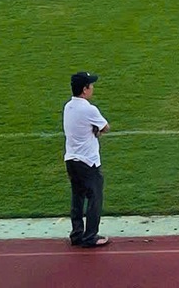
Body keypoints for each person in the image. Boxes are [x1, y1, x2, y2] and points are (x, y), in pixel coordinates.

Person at [62, 71, 110, 249]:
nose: (92, 87)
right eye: (90, 85)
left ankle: (77, 233)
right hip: (88, 162)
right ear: (84, 89)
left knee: (77, 196)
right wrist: (96, 131)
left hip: (71, 159)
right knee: (95, 196)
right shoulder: (89, 109)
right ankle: (90, 236)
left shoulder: (68, 107)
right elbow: (105, 127)